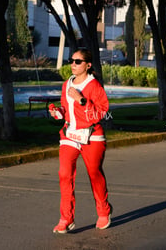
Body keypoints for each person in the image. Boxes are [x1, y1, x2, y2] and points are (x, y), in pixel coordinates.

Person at [49, 48, 112, 234]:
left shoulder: (94, 86)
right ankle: (66, 218)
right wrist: (57, 112)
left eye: (78, 61)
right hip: (69, 135)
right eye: (71, 60)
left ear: (88, 65)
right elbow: (65, 110)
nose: (73, 65)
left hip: (92, 136)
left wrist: (81, 100)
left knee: (94, 174)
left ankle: (103, 211)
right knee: (64, 174)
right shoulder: (67, 84)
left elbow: (101, 112)